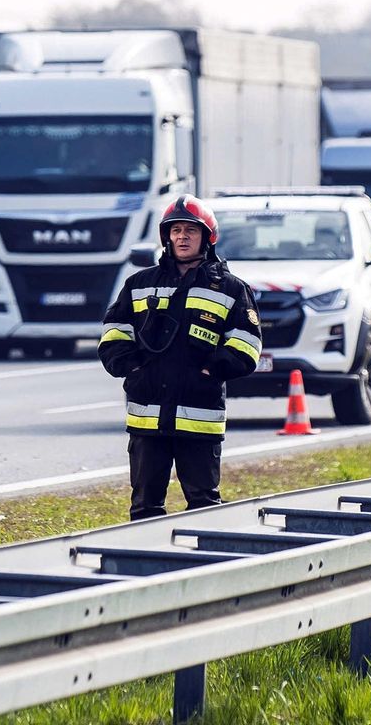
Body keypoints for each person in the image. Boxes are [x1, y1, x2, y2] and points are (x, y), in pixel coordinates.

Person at [99, 195, 262, 520]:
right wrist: (132, 367)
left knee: (203, 506)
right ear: (166, 237)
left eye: (190, 230)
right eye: (176, 230)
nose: (182, 236)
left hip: (199, 417)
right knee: (145, 508)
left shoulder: (231, 289)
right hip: (146, 418)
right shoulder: (139, 284)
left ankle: (208, 566)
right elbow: (114, 334)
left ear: (207, 237)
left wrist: (210, 370)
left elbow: (247, 345)